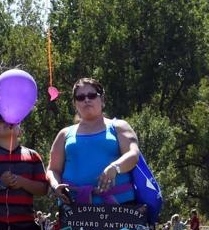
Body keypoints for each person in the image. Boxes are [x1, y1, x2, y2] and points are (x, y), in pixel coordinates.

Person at [48, 78, 140, 206]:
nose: (86, 100)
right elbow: (53, 169)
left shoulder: (118, 126)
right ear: (75, 104)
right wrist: (55, 185)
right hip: (73, 206)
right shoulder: (64, 134)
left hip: (120, 204)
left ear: (102, 100)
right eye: (80, 97)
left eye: (91, 95)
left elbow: (133, 154)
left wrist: (115, 167)